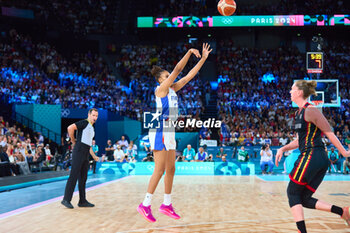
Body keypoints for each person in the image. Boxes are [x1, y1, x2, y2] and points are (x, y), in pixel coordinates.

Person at [138, 43, 212, 222]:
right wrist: (188, 52)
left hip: (169, 130)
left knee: (171, 168)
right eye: (166, 76)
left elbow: (187, 76)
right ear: (161, 79)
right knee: (160, 168)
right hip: (160, 129)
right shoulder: (161, 90)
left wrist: (202, 59)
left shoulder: (172, 89)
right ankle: (145, 204)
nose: (169, 77)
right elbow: (179, 69)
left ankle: (166, 204)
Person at [275, 80, 350, 233]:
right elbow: (299, 141)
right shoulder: (299, 113)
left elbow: (329, 132)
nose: (290, 92)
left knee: (292, 192)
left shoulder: (311, 110)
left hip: (312, 155)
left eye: (292, 89)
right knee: (304, 199)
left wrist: (344, 152)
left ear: (299, 93)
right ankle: (343, 212)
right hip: (317, 159)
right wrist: (283, 148)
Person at [61, 108, 99, 209]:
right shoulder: (84, 122)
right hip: (79, 151)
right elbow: (70, 128)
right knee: (74, 175)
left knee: (83, 178)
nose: (95, 117)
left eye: (96, 116)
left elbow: (89, 144)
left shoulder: (92, 128)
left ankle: (82, 201)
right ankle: (66, 199)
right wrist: (73, 140)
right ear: (89, 115)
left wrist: (94, 156)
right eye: (93, 115)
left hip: (86, 152)